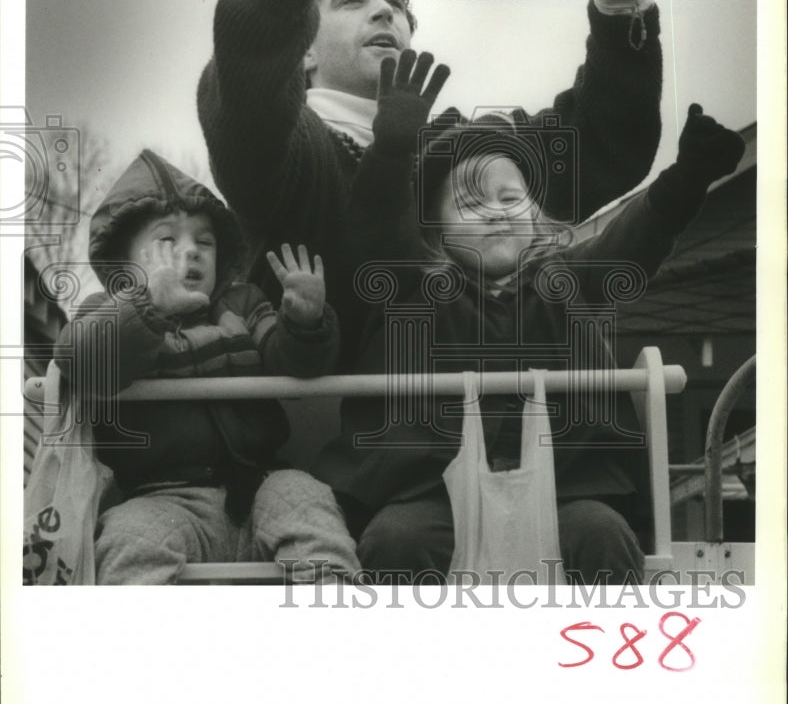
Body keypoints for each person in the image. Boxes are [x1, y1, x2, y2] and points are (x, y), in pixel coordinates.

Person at [197, 0, 663, 364]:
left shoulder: (467, 150)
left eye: (395, 1)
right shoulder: (297, 152)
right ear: (302, 46)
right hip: (335, 441)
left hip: (509, 436)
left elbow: (606, 142)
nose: (383, 10)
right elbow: (248, 103)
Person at [293, 52, 745, 586]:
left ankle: (592, 658)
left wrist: (684, 182)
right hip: (428, 492)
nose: (498, 210)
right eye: (470, 203)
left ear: (534, 213)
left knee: (602, 532)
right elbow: (378, 230)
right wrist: (392, 148)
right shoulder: (414, 283)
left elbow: (630, 244)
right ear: (435, 229)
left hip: (564, 491)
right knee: (397, 540)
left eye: (511, 197)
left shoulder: (566, 281)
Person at [55, 148, 359, 584]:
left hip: (259, 482)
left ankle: (336, 612)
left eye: (204, 241)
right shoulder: (106, 311)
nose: (191, 251)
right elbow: (83, 363)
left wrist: (305, 321)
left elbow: (293, 366)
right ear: (125, 265)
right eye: (167, 241)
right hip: (162, 496)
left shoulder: (243, 303)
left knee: (306, 497)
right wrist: (147, 308)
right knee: (127, 538)